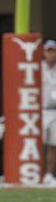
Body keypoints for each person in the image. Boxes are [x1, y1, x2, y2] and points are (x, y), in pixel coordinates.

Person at [43, 40, 56, 185]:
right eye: (48, 51)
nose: (51, 54)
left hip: (55, 110)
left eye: (53, 51)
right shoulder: (38, 68)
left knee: (53, 145)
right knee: (38, 143)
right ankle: (36, 172)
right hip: (41, 110)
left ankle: (48, 174)